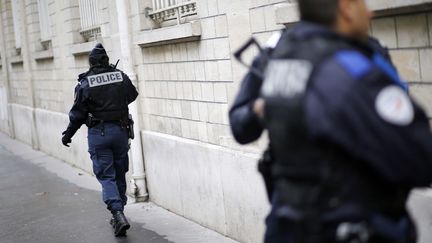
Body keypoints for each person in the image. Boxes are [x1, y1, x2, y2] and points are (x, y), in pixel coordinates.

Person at [230, 0, 432, 242]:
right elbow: (421, 159)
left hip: (287, 228)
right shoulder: (352, 64)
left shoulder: (360, 52)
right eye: (362, 3)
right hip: (351, 227)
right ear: (345, 7)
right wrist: (262, 109)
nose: (370, 12)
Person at [61, 43, 138, 237]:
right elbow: (132, 95)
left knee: (107, 175)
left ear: (91, 62)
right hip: (120, 131)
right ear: (107, 60)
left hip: (99, 134)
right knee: (120, 173)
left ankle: (117, 213)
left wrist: (68, 134)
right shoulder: (119, 76)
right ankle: (120, 213)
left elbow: (78, 114)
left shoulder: (85, 83)